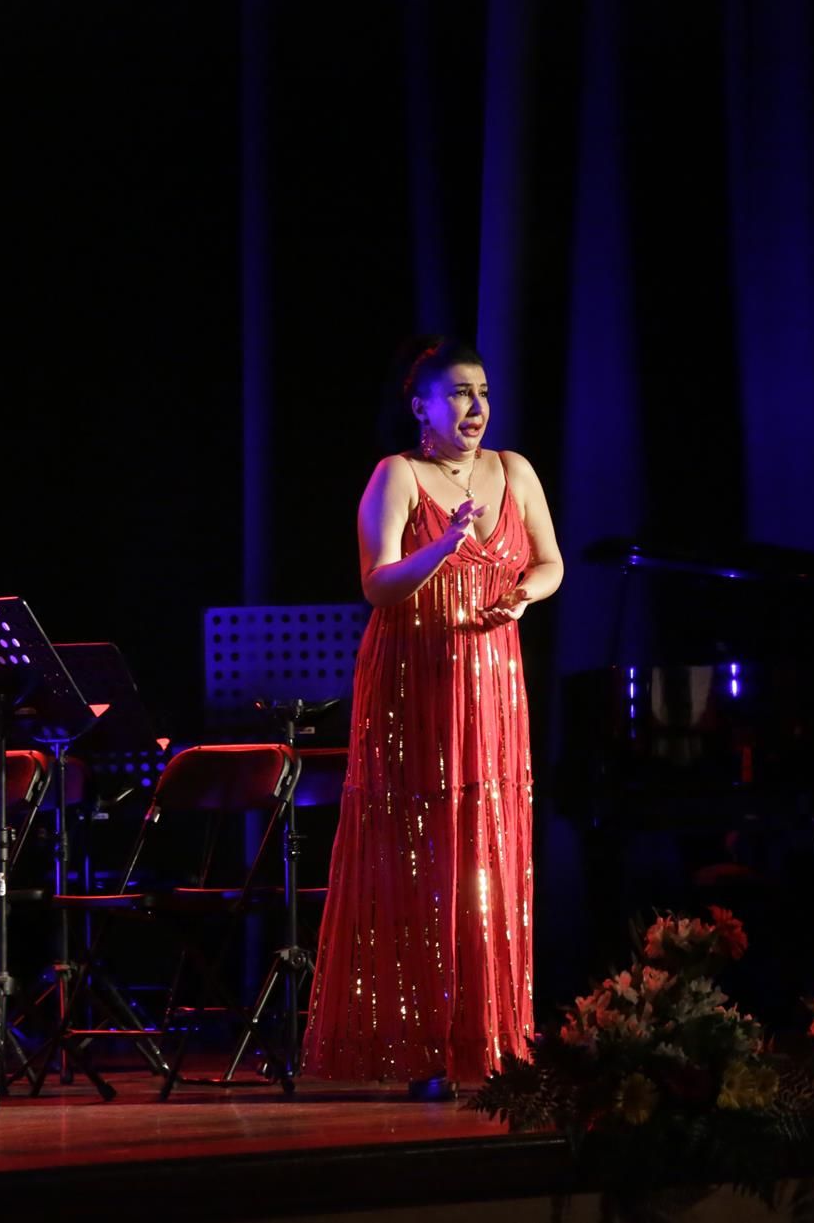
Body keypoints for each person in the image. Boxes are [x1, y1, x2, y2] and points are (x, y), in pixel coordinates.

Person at [302, 337, 563, 1092]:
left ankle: (485, 1040)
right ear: (419, 406)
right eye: (456, 393)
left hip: (490, 685)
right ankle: (415, 1045)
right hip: (412, 688)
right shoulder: (399, 476)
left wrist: (524, 594)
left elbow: (549, 562)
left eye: (481, 391)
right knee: (423, 858)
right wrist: (445, 545)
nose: (474, 406)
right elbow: (378, 584)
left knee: (485, 854)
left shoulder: (513, 471)